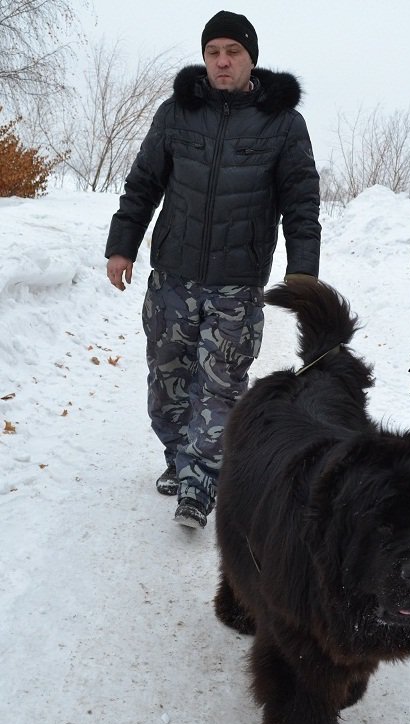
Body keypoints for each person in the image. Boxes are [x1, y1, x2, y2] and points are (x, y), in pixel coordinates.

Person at [105, 10, 321, 529]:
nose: (222, 62)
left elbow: (301, 202)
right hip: (172, 277)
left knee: (221, 384)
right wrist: (122, 246)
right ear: (204, 58)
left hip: (237, 283)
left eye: (233, 53)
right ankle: (178, 459)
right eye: (213, 53)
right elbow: (143, 184)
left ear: (252, 59)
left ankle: (201, 482)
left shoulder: (283, 123)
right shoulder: (177, 112)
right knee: (168, 379)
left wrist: (303, 272)